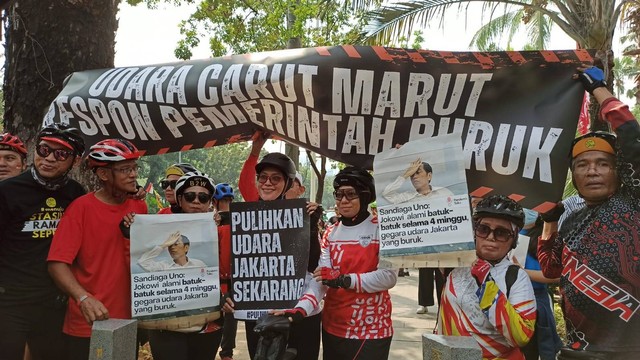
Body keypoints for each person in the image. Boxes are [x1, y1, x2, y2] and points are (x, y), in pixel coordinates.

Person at [538, 66, 640, 359]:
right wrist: (550, 222)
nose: (592, 171)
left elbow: (632, 137)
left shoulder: (633, 199)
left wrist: (599, 88)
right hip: (580, 349)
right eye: (582, 164)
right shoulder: (570, 214)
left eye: (602, 163)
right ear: (573, 175)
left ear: (619, 172)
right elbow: (551, 270)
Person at [280, 166, 397, 360]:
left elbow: (388, 277)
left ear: (365, 196)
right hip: (333, 328)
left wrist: (344, 280)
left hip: (371, 329)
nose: (343, 200)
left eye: (351, 194)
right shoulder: (330, 232)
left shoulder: (382, 229)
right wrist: (301, 309)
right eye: (339, 194)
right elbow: (322, 278)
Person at [47, 138, 147, 359]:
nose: (133, 174)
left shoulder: (140, 206)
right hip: (90, 322)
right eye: (124, 169)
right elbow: (56, 264)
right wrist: (83, 298)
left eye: (134, 168)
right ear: (103, 175)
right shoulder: (81, 208)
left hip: (130, 320)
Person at [0, 125, 85, 360]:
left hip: (53, 303)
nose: (48, 158)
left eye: (60, 154)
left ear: (75, 161)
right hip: (9, 303)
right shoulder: (8, 191)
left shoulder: (75, 194)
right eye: (44, 149)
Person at [235, 141, 323, 360]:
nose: (267, 183)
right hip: (258, 311)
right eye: (263, 177)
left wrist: (311, 228)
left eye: (276, 178)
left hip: (298, 312)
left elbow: (313, 266)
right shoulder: (245, 219)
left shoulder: (303, 215)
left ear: (287, 183)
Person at [136, 170, 225, 360]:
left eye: (203, 197)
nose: (196, 202)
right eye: (190, 196)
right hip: (166, 328)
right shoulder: (163, 258)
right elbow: (143, 262)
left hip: (207, 327)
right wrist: (161, 244)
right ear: (180, 199)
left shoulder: (219, 231)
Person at [438, 195, 536, 360]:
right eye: (484, 229)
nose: (491, 237)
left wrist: (487, 284)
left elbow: (522, 335)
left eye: (501, 233)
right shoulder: (456, 264)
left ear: (513, 240)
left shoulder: (516, 277)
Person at [515, 209, 562, 360]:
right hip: (514, 299)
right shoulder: (511, 233)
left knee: (537, 346)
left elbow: (557, 277)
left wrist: (522, 272)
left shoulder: (546, 237)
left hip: (538, 301)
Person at [213, 183, 237, 360]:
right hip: (217, 278)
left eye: (229, 200)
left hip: (234, 278)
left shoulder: (238, 222)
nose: (227, 204)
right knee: (215, 318)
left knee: (231, 317)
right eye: (223, 201)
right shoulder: (211, 222)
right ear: (215, 202)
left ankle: (227, 352)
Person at [382, 159, 453, 204]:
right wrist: (406, 175)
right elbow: (387, 194)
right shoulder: (406, 197)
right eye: (412, 174)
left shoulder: (444, 193)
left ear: (429, 176)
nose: (414, 177)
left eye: (418, 172)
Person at [137, 231, 207, 271]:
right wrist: (164, 245)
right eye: (170, 245)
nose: (172, 247)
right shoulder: (163, 266)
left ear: (186, 248)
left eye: (176, 244)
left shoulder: (199, 264)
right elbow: (142, 262)